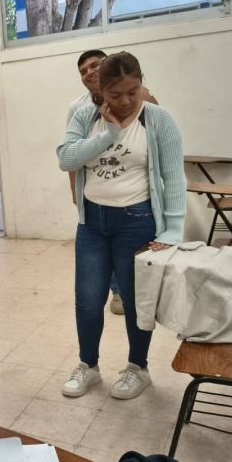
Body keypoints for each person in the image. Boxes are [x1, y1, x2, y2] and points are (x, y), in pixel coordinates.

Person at [57, 51, 185, 400]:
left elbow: (174, 177)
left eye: (133, 90)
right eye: (116, 95)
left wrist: (172, 230)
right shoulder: (85, 117)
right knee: (87, 299)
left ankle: (137, 367)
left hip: (137, 221)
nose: (127, 101)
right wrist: (107, 133)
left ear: (141, 83)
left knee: (134, 300)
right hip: (93, 224)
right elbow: (66, 158)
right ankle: (89, 365)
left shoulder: (158, 119)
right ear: (102, 90)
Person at [69, 50, 160, 316]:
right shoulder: (79, 109)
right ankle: (115, 292)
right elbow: (71, 153)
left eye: (95, 65)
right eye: (83, 70)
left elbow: (155, 142)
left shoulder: (141, 97)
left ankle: (124, 294)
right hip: (96, 193)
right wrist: (74, 190)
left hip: (134, 202)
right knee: (99, 250)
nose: (89, 73)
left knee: (127, 258)